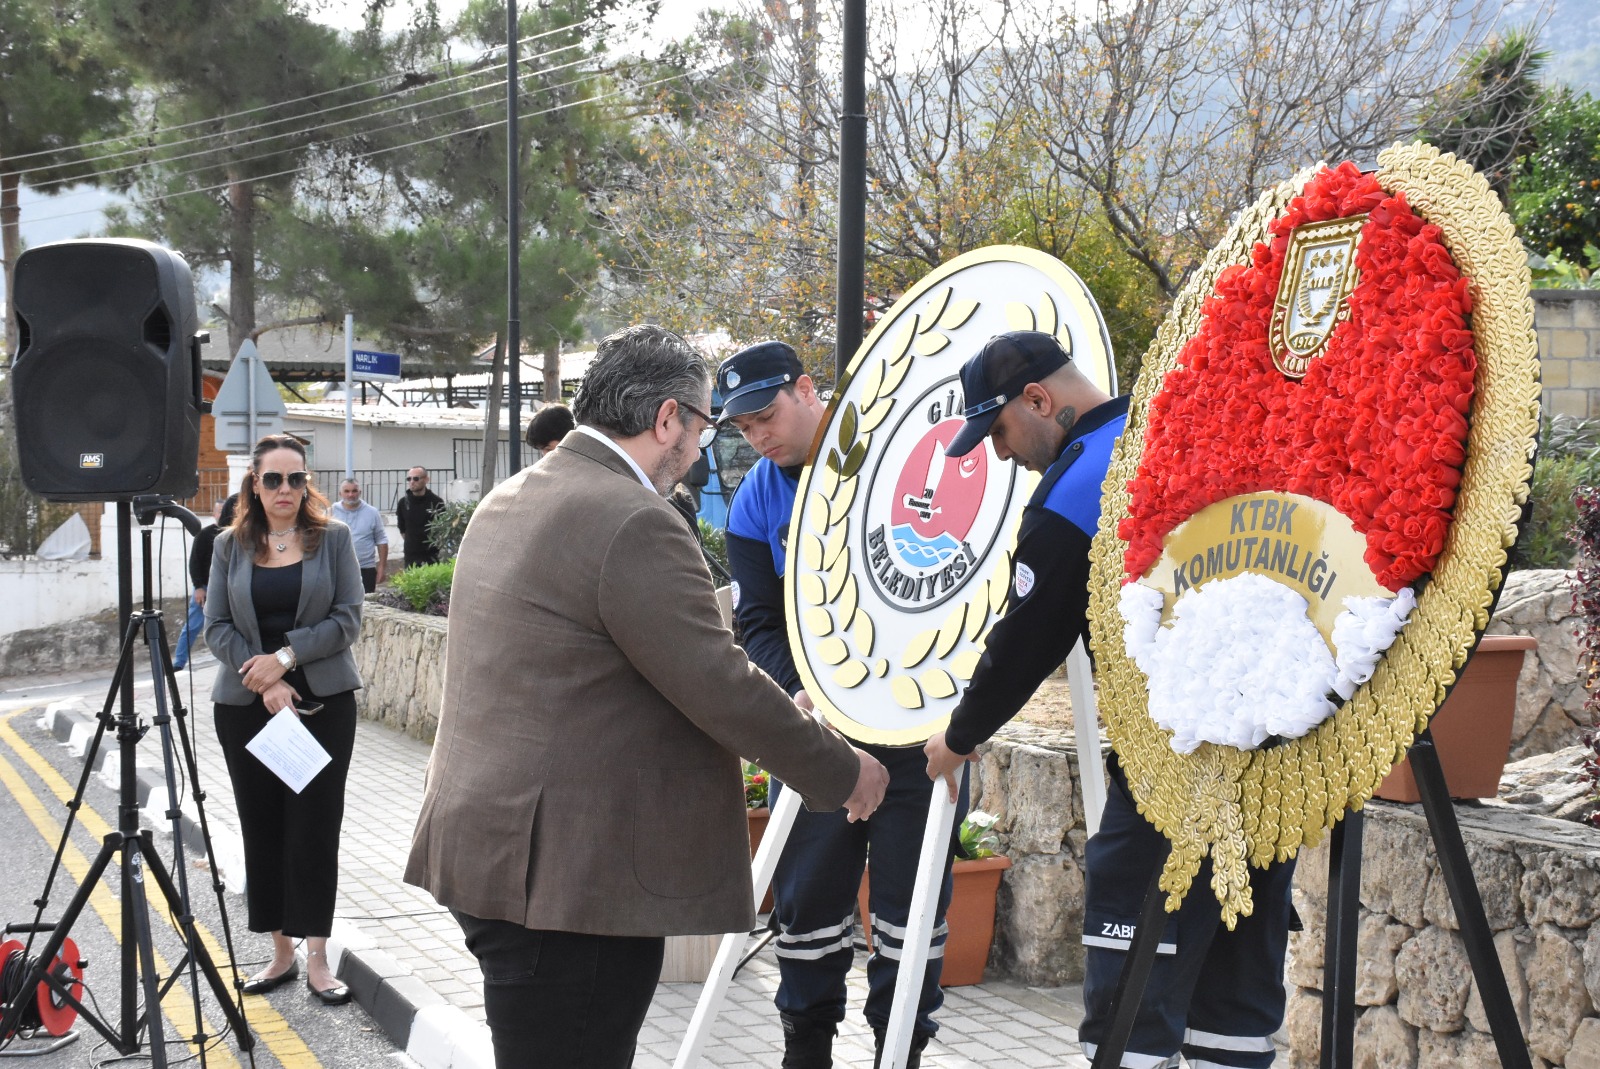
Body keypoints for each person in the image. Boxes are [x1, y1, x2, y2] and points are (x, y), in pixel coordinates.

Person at [404, 325, 890, 1069]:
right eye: (699, 428)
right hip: (569, 884)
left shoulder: (517, 495)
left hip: (493, 854)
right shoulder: (632, 519)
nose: (699, 451)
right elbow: (716, 680)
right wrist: (844, 771)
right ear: (667, 418)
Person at [922, 331, 1295, 1069]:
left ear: (1039, 400)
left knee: (1129, 1008)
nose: (1001, 454)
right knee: (1236, 1003)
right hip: (1272, 764)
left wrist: (958, 738)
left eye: (999, 432)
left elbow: (1028, 638)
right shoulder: (1187, 426)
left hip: (1170, 773)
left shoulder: (1083, 482)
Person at [718, 340, 965, 1069]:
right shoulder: (757, 495)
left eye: (767, 414)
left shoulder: (888, 459)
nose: (759, 435)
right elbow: (758, 619)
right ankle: (806, 1051)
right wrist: (799, 693)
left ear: (806, 389)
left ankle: (902, 1051)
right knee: (806, 906)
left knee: (911, 917)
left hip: (919, 730)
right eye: (743, 426)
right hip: (819, 733)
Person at [204, 435, 365, 1007]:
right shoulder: (229, 544)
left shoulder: (335, 540)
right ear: (254, 483)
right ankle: (280, 952)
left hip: (322, 707)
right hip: (247, 709)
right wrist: (266, 680)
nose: (285, 490)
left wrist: (286, 659)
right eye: (273, 479)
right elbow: (215, 625)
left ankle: (318, 956)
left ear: (307, 483)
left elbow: (348, 619)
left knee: (315, 829)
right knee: (263, 827)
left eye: (296, 479)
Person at [172, 495, 236, 670]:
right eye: (219, 511)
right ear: (214, 513)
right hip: (206, 588)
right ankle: (179, 662)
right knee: (192, 626)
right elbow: (195, 562)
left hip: (231, 589)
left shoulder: (236, 535)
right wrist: (198, 587)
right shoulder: (205, 534)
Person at [332, 479, 389, 593]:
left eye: (354, 491)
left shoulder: (372, 512)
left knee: (366, 605)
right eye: (346, 491)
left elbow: (381, 539)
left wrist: (382, 567)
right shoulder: (331, 512)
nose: (351, 494)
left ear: (360, 492)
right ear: (340, 493)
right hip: (338, 569)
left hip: (365, 568)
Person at [395, 467, 445, 567]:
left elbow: (442, 529)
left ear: (426, 480)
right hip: (411, 556)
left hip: (431, 555)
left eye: (416, 478)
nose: (412, 482)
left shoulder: (436, 502)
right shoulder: (403, 503)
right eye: (409, 479)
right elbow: (402, 529)